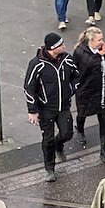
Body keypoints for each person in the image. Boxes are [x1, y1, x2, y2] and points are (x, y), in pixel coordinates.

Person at [24, 32, 79, 183]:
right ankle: (50, 168)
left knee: (67, 133)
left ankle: (58, 144)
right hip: (45, 109)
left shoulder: (67, 59)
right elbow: (29, 88)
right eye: (61, 45)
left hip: (64, 106)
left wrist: (71, 89)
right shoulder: (37, 64)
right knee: (47, 139)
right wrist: (32, 110)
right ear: (53, 48)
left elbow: (76, 75)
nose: (64, 46)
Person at [73, 26, 105, 164]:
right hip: (86, 90)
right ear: (90, 40)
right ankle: (80, 128)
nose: (102, 42)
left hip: (102, 89)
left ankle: (104, 149)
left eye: (102, 39)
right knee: (82, 113)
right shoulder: (79, 52)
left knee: (103, 117)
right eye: (99, 40)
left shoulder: (104, 51)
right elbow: (75, 71)